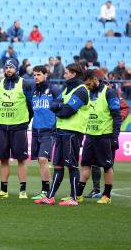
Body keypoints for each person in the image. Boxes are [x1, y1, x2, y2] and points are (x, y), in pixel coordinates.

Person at [35, 63, 89, 206]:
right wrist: (60, 107)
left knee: (71, 166)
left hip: (72, 132)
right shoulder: (67, 90)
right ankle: (50, 197)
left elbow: (66, 111)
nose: (64, 75)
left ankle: (73, 198)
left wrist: (60, 107)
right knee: (58, 165)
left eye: (66, 73)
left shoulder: (81, 90)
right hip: (60, 131)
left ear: (74, 73)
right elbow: (53, 105)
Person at [74, 69, 121, 205]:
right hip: (90, 135)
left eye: (88, 84)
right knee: (85, 165)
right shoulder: (87, 93)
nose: (87, 87)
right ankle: (78, 194)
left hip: (105, 136)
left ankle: (106, 195)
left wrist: (115, 137)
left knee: (107, 166)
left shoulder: (109, 92)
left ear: (95, 80)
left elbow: (116, 116)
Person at [0, 58, 33, 199]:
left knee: (21, 159)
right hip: (3, 127)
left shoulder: (24, 84)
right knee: (3, 159)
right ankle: (3, 191)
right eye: (6, 67)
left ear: (16, 68)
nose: (8, 69)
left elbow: (30, 105)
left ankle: (22, 191)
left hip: (19, 127)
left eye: (11, 67)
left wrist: (25, 121)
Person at [29, 65, 60, 200]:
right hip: (36, 130)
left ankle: (47, 191)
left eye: (39, 74)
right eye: (34, 75)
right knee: (40, 161)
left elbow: (61, 106)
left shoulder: (53, 89)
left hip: (49, 130)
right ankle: (44, 190)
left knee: (43, 159)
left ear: (46, 75)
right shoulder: (34, 91)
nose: (36, 77)